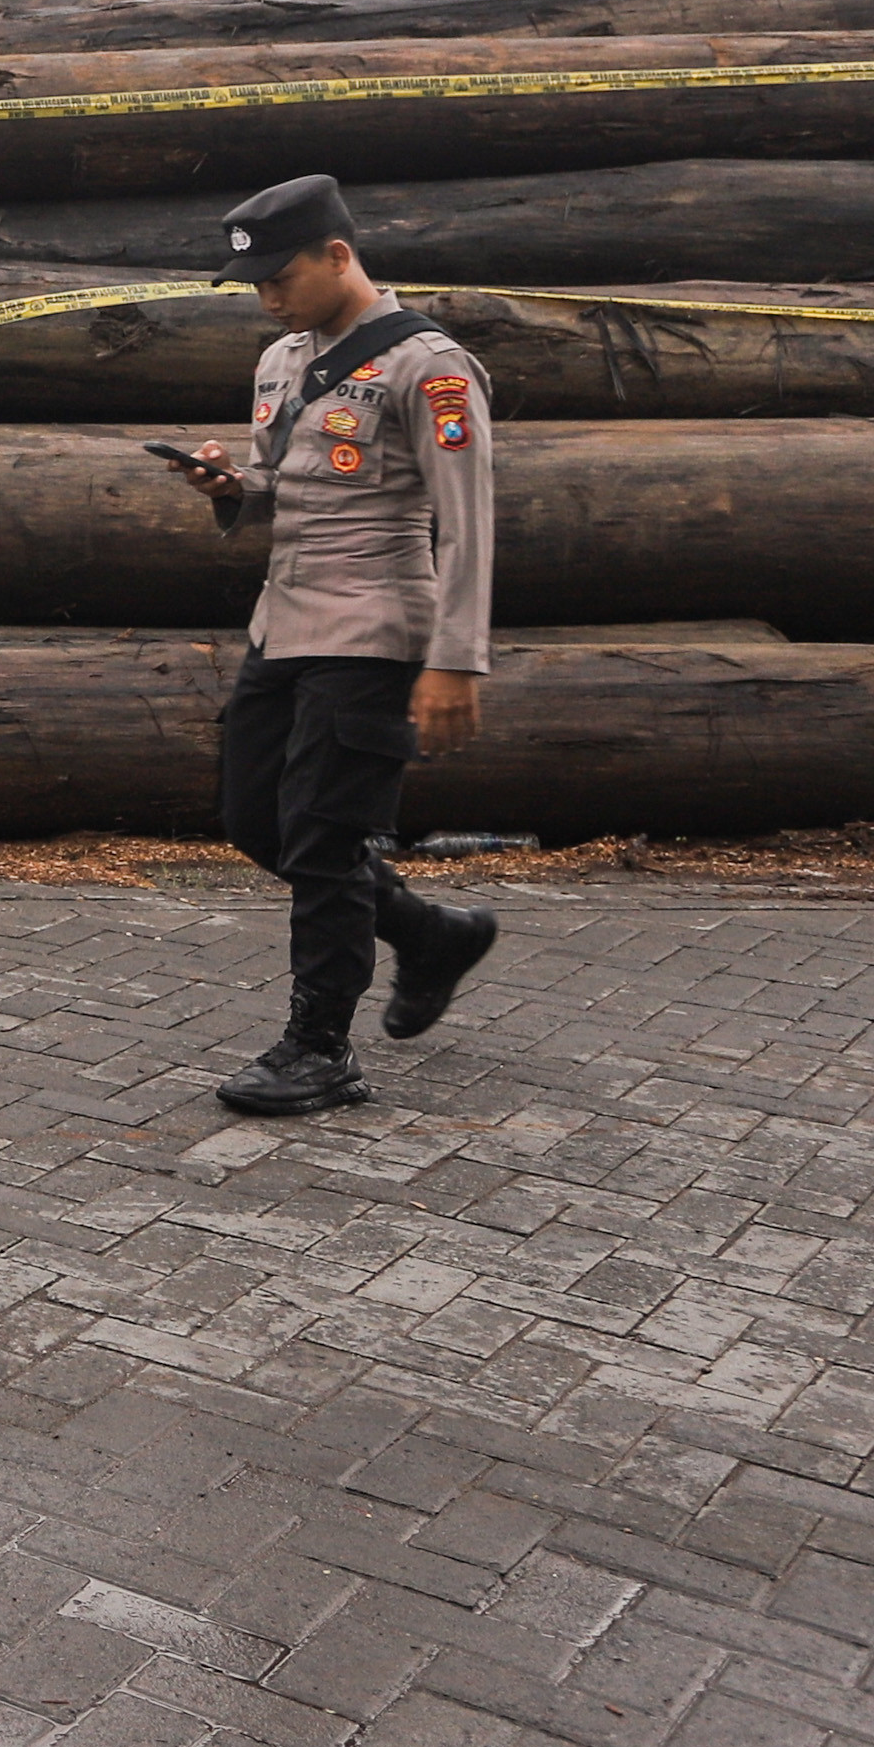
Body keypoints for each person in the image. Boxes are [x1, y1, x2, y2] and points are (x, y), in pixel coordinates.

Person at [161, 172, 501, 1115]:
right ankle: (429, 933)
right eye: (255, 282)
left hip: (376, 627)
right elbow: (290, 487)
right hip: (286, 622)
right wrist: (233, 488)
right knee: (254, 820)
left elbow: (467, 522)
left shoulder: (427, 367)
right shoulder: (281, 362)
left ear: (338, 254)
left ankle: (321, 1047)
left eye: (280, 275)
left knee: (322, 836)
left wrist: (455, 658)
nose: (268, 297)